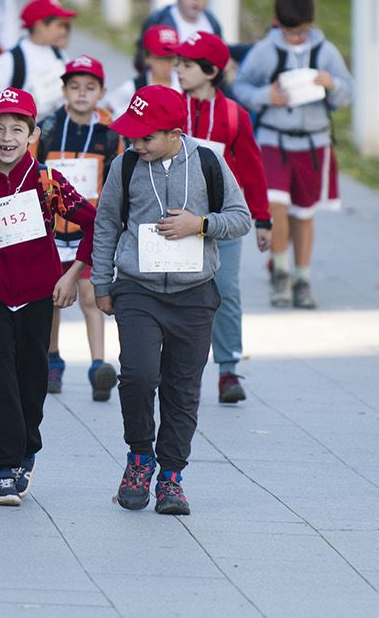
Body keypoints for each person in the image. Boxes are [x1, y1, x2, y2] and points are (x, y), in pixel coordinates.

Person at [89, 85, 253, 516]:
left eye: (146, 138)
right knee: (139, 375)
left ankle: (172, 476)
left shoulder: (207, 162)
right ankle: (139, 458)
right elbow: (106, 224)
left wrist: (200, 224)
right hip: (138, 290)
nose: (136, 145)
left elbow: (241, 219)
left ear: (175, 133)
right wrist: (102, 284)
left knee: (183, 388)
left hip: (194, 294)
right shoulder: (125, 166)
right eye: (132, 137)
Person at [0, 87, 94, 507]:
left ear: (33, 133)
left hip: (38, 295)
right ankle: (1, 469)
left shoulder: (47, 181)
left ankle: (26, 450)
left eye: (17, 128)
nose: (8, 137)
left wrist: (72, 276)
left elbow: (93, 223)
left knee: (31, 377)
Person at [230, 0, 354, 310]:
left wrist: (333, 85)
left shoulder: (326, 51)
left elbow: (348, 91)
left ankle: (303, 277)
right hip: (274, 140)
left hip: (313, 143)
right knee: (275, 206)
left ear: (311, 24)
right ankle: (280, 272)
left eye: (302, 32)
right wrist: (264, 96)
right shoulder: (265, 51)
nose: (297, 39)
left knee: (304, 212)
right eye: (289, 32)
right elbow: (240, 85)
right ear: (277, 24)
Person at [173, 32, 274, 403]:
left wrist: (262, 219)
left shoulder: (234, 115)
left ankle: (228, 369)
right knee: (178, 292)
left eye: (186, 64)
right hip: (175, 220)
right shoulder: (170, 108)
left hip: (223, 222)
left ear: (211, 71)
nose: (178, 69)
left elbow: (251, 169)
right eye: (177, 62)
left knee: (226, 291)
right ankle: (177, 365)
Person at [37, 56, 124, 401]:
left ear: (102, 91)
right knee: (53, 297)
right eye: (74, 87)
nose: (82, 93)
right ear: (64, 91)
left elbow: (118, 178)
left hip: (91, 229)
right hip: (53, 230)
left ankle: (98, 365)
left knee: (90, 295)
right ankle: (52, 359)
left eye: (90, 88)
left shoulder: (110, 133)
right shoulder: (47, 129)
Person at [0, 0, 76, 120]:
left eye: (65, 27)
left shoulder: (60, 56)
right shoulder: (10, 60)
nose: (64, 32)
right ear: (40, 25)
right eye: (59, 26)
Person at [102, 24, 180, 117]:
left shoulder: (183, 85)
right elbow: (105, 112)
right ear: (147, 57)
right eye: (160, 58)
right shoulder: (133, 88)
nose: (166, 64)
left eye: (170, 58)